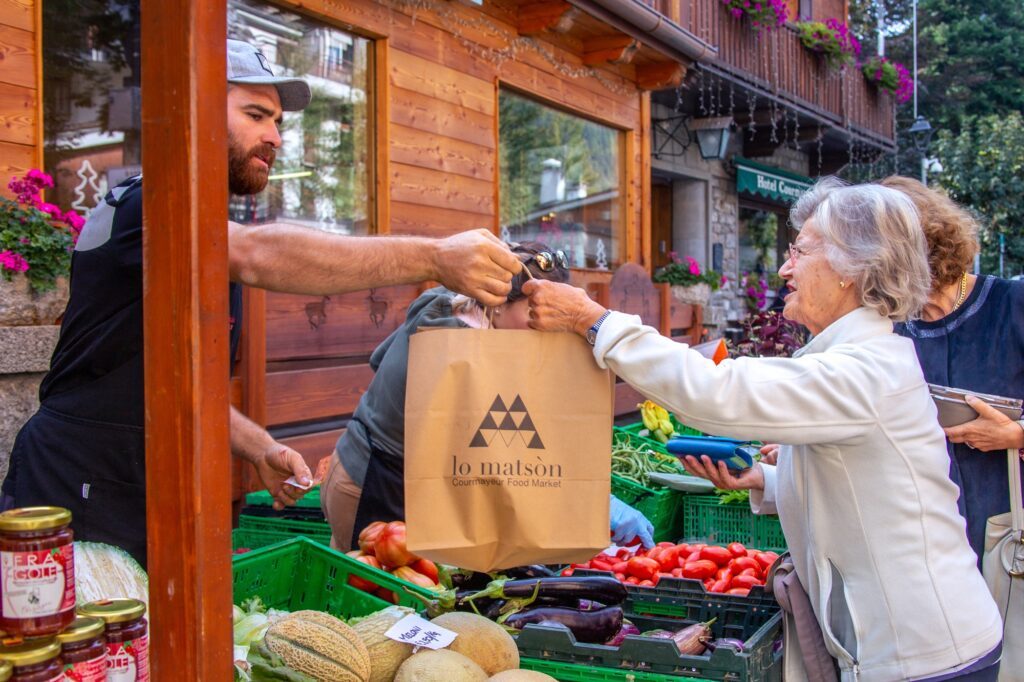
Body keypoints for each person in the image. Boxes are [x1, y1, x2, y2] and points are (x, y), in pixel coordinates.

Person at [1, 39, 521, 567]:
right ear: (193, 112)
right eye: (255, 115)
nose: (274, 137)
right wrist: (434, 256)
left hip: (144, 482)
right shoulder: (149, 199)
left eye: (277, 122)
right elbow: (258, 254)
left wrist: (258, 447)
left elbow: (178, 384)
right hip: (77, 483)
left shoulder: (201, 229)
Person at [523, 179, 1002, 681]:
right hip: (908, 647)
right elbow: (864, 488)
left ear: (852, 269)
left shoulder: (866, 371)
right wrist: (763, 481)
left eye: (800, 250)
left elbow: (715, 392)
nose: (784, 268)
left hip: (927, 655)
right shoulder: (862, 361)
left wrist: (594, 320)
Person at [321, 242, 655, 551]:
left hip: (405, 479)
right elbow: (494, 453)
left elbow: (379, 359)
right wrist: (590, 500)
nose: (546, 325)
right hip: (375, 480)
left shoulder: (451, 302)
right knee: (372, 590)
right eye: (535, 311)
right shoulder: (452, 336)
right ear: (497, 301)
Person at [880, 175, 1024, 564]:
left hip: (1013, 537)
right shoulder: (887, 330)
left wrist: (1017, 434)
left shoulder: (1012, 305)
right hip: (928, 550)